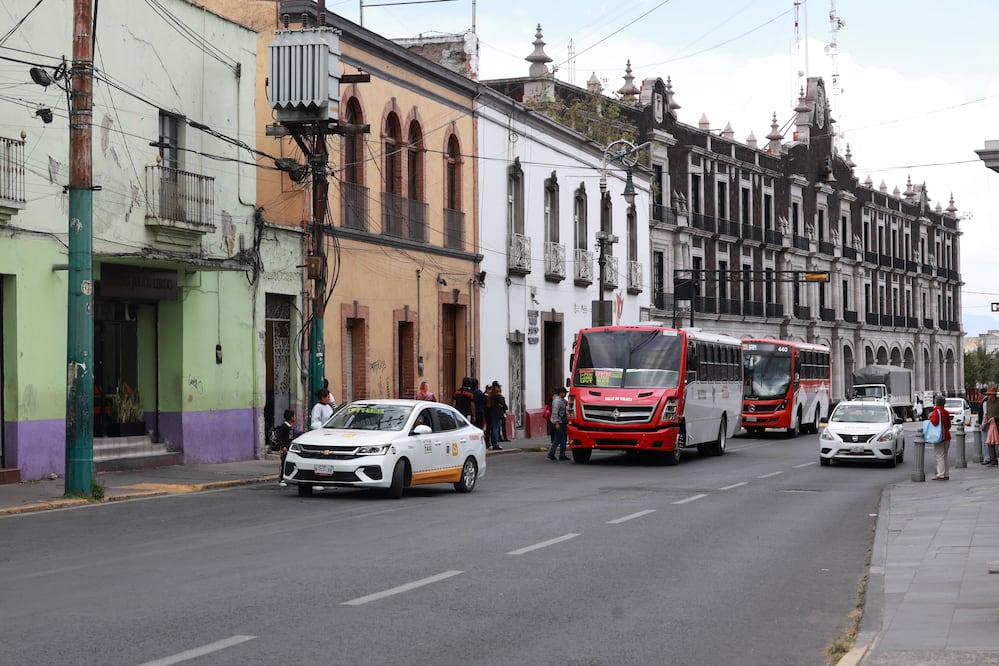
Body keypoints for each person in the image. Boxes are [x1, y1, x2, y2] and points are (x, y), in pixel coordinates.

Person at [272, 409, 302, 487]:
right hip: (285, 449)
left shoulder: (290, 427)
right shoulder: (284, 427)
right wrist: (283, 447)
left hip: (289, 449)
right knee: (284, 464)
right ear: (291, 417)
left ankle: (287, 477)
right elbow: (280, 437)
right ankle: (281, 479)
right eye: (294, 416)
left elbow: (290, 437)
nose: (295, 417)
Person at [927, 394, 952, 480]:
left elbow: (935, 422)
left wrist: (930, 416)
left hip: (939, 437)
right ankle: (946, 473)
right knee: (945, 455)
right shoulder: (945, 412)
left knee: (939, 455)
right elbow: (949, 425)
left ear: (936, 403)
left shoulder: (936, 412)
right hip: (947, 436)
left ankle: (940, 474)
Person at [547, 386, 569, 461]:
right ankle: (560, 454)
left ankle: (552, 454)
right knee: (561, 439)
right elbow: (555, 413)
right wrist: (557, 423)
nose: (565, 394)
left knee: (558, 439)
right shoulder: (557, 401)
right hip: (559, 422)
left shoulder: (562, 400)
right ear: (561, 393)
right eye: (564, 393)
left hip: (561, 421)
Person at [487, 381, 508, 451]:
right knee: (495, 429)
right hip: (496, 413)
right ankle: (495, 444)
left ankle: (494, 443)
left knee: (494, 429)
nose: (500, 388)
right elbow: (503, 404)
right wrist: (503, 405)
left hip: (492, 413)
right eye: (499, 387)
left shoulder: (491, 395)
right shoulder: (496, 395)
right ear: (496, 387)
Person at [982, 386, 999, 466]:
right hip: (990, 425)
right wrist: (984, 423)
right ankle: (993, 460)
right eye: (988, 394)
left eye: (989, 394)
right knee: (990, 443)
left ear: (993, 395)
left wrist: (995, 418)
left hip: (997, 424)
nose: (988, 396)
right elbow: (986, 414)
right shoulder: (987, 403)